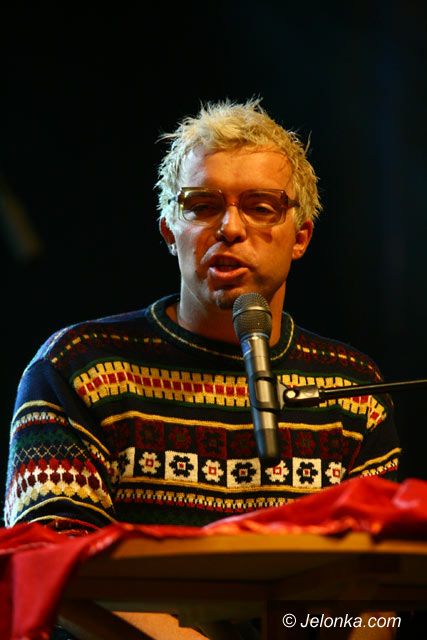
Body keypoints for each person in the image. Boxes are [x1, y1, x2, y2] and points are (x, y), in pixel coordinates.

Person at [3, 98, 401, 639]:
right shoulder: (77, 366)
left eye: (261, 206)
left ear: (301, 236)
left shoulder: (354, 387)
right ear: (169, 229)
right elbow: (48, 562)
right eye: (202, 205)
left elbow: (380, 588)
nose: (230, 227)